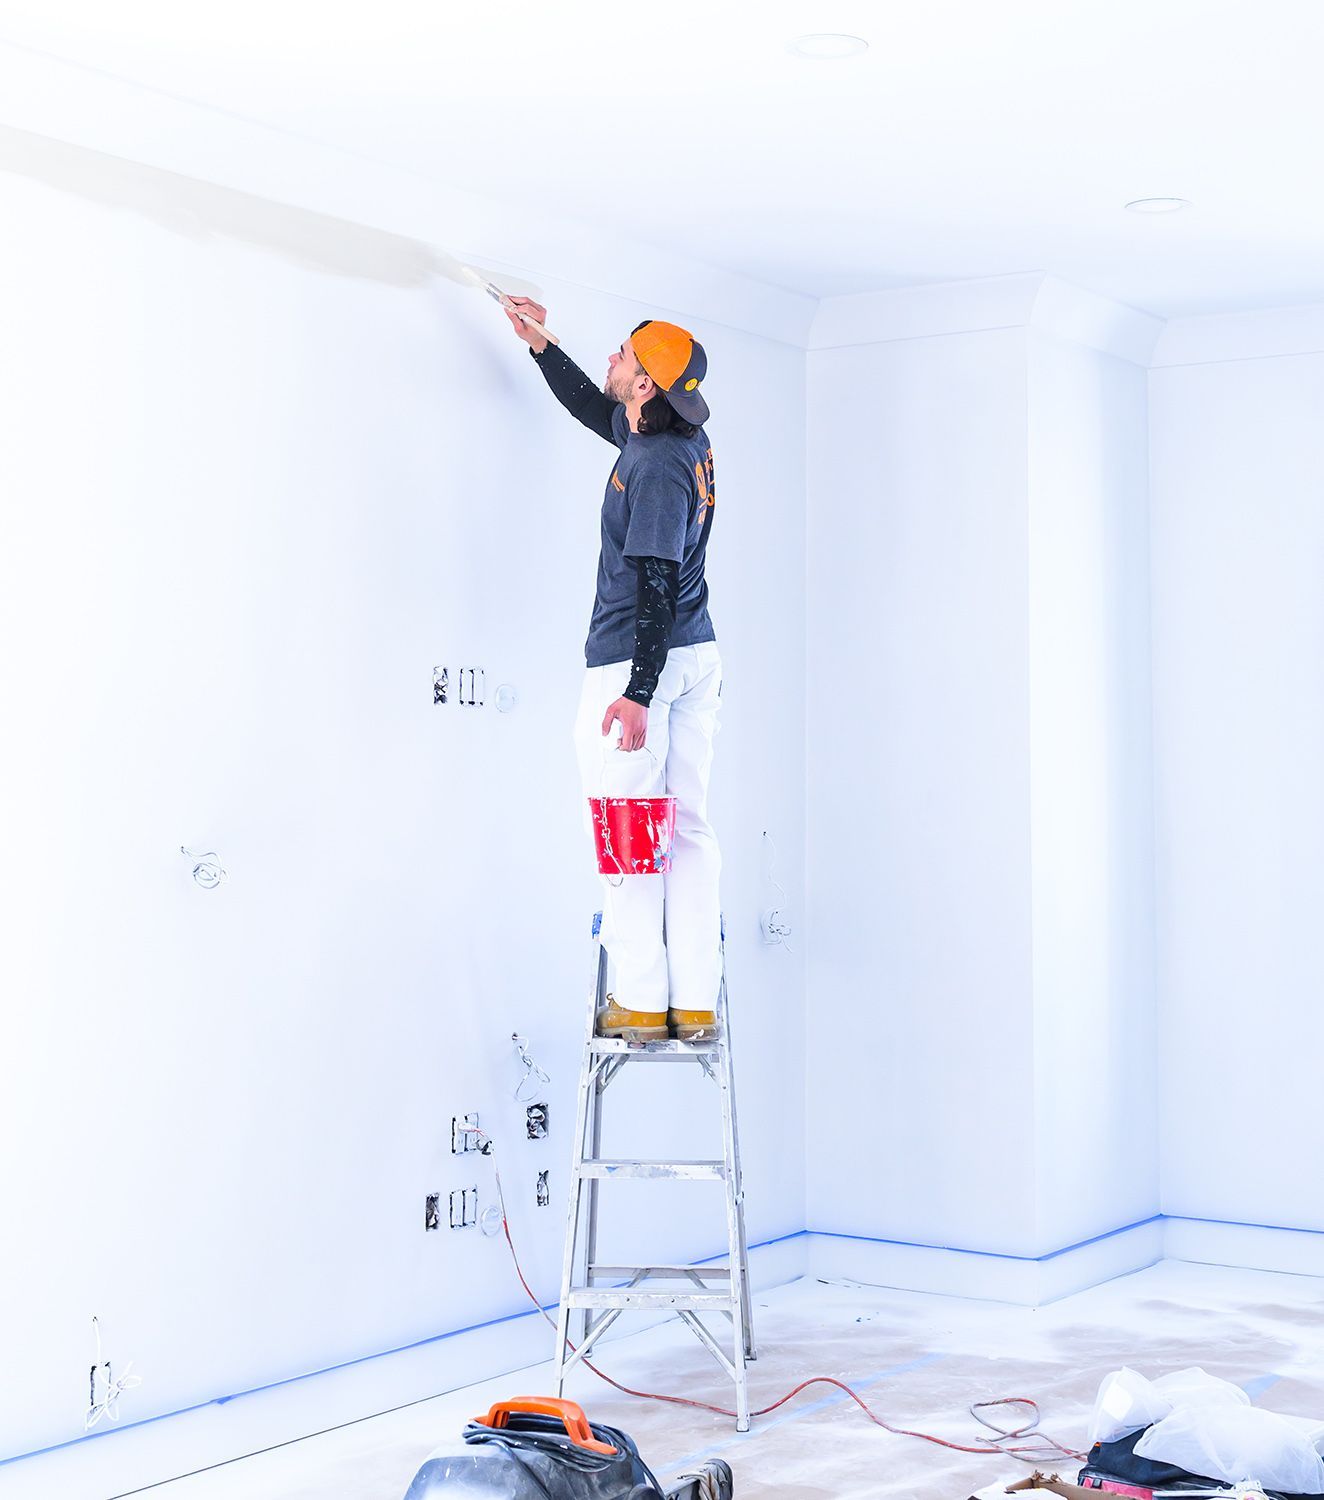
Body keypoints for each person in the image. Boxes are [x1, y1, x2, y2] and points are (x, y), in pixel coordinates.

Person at [505, 298, 723, 1041]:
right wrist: (541, 346)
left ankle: (638, 999)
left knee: (628, 827)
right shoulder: (668, 434)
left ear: (643, 388)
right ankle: (693, 998)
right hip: (694, 655)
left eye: (623, 358)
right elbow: (588, 407)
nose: (612, 360)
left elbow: (657, 582)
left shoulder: (658, 468)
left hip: (643, 657)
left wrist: (635, 693)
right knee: (686, 828)